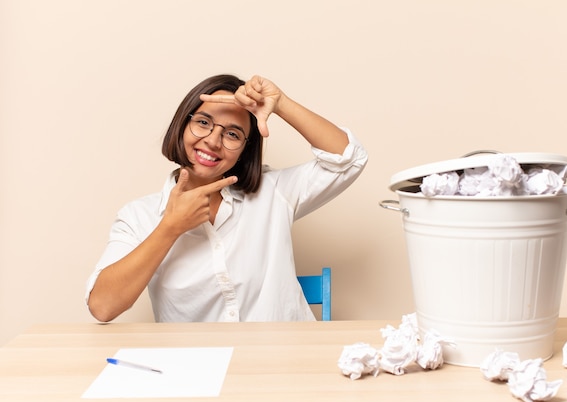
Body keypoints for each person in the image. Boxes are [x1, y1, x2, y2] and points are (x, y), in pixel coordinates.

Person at [85, 74, 368, 323]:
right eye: (203, 122)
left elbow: (349, 159)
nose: (212, 140)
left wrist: (280, 103)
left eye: (232, 134)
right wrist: (169, 227)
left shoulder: (273, 192)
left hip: (284, 364)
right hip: (200, 372)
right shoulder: (138, 216)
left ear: (245, 150)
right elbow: (102, 306)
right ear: (181, 126)